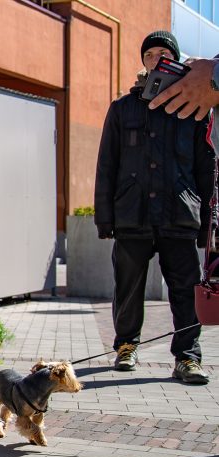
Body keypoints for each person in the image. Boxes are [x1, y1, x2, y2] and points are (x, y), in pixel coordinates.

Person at [94, 30, 215, 384]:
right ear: (143, 60)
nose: (157, 58)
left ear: (176, 59)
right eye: (150, 54)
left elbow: (207, 169)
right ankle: (126, 347)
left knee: (185, 290)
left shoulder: (193, 107)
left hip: (180, 214)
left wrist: (208, 223)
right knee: (128, 286)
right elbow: (107, 165)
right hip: (133, 215)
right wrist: (105, 219)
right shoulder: (122, 108)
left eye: (165, 52)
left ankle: (188, 358)